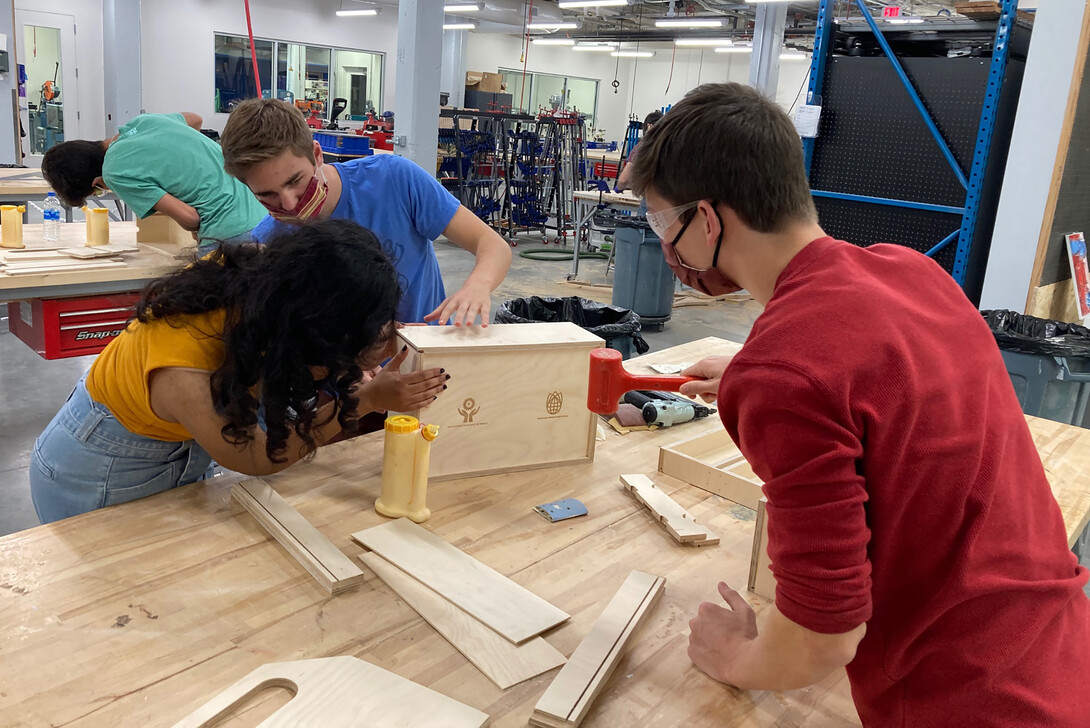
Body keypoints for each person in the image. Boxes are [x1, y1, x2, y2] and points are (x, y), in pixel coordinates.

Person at [628, 83, 1090, 725]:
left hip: (965, 701)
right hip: (1058, 651)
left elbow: (825, 632)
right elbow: (875, 366)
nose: (665, 246)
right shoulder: (911, 271)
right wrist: (754, 369)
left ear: (708, 220)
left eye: (660, 223)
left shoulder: (788, 372)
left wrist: (735, 659)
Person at [29, 220, 447, 524]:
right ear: (308, 333)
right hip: (104, 470)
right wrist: (365, 399)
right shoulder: (185, 370)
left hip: (171, 443)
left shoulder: (273, 281)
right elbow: (255, 456)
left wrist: (365, 353)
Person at [219, 99, 512, 327]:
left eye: (295, 181)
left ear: (317, 155)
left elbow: (493, 245)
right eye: (266, 195)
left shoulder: (394, 180)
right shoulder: (269, 244)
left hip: (428, 362)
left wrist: (478, 286)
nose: (290, 204)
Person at [41, 113, 268, 254]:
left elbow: (191, 218)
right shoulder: (141, 123)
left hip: (228, 233)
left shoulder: (114, 172)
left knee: (212, 319)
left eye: (98, 192)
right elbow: (194, 119)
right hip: (264, 213)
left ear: (97, 182)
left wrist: (193, 224)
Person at [616, 110, 663, 192]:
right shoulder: (671, 148)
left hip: (648, 197)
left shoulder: (642, 147)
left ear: (649, 126)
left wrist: (619, 187)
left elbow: (623, 180)